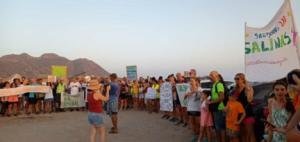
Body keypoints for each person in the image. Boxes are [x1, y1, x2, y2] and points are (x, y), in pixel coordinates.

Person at [232, 73, 256, 142]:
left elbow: (250, 100)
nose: (236, 80)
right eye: (235, 79)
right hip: (239, 114)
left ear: (243, 79)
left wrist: (248, 91)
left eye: (238, 78)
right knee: (242, 134)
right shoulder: (235, 89)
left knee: (250, 133)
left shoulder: (248, 88)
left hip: (247, 112)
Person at [208, 71, 226, 142]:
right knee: (217, 127)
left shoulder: (219, 84)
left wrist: (211, 102)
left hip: (219, 108)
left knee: (220, 128)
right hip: (216, 109)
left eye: (211, 75)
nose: (210, 77)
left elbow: (221, 97)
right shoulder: (214, 84)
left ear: (216, 76)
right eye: (210, 76)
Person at [184, 78, 202, 142]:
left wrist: (196, 91)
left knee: (198, 122)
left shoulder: (199, 89)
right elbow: (184, 97)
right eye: (190, 81)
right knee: (192, 122)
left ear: (195, 82)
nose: (191, 82)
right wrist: (189, 93)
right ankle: (195, 134)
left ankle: (199, 134)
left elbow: (201, 97)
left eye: (192, 81)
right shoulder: (188, 89)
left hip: (197, 108)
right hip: (190, 108)